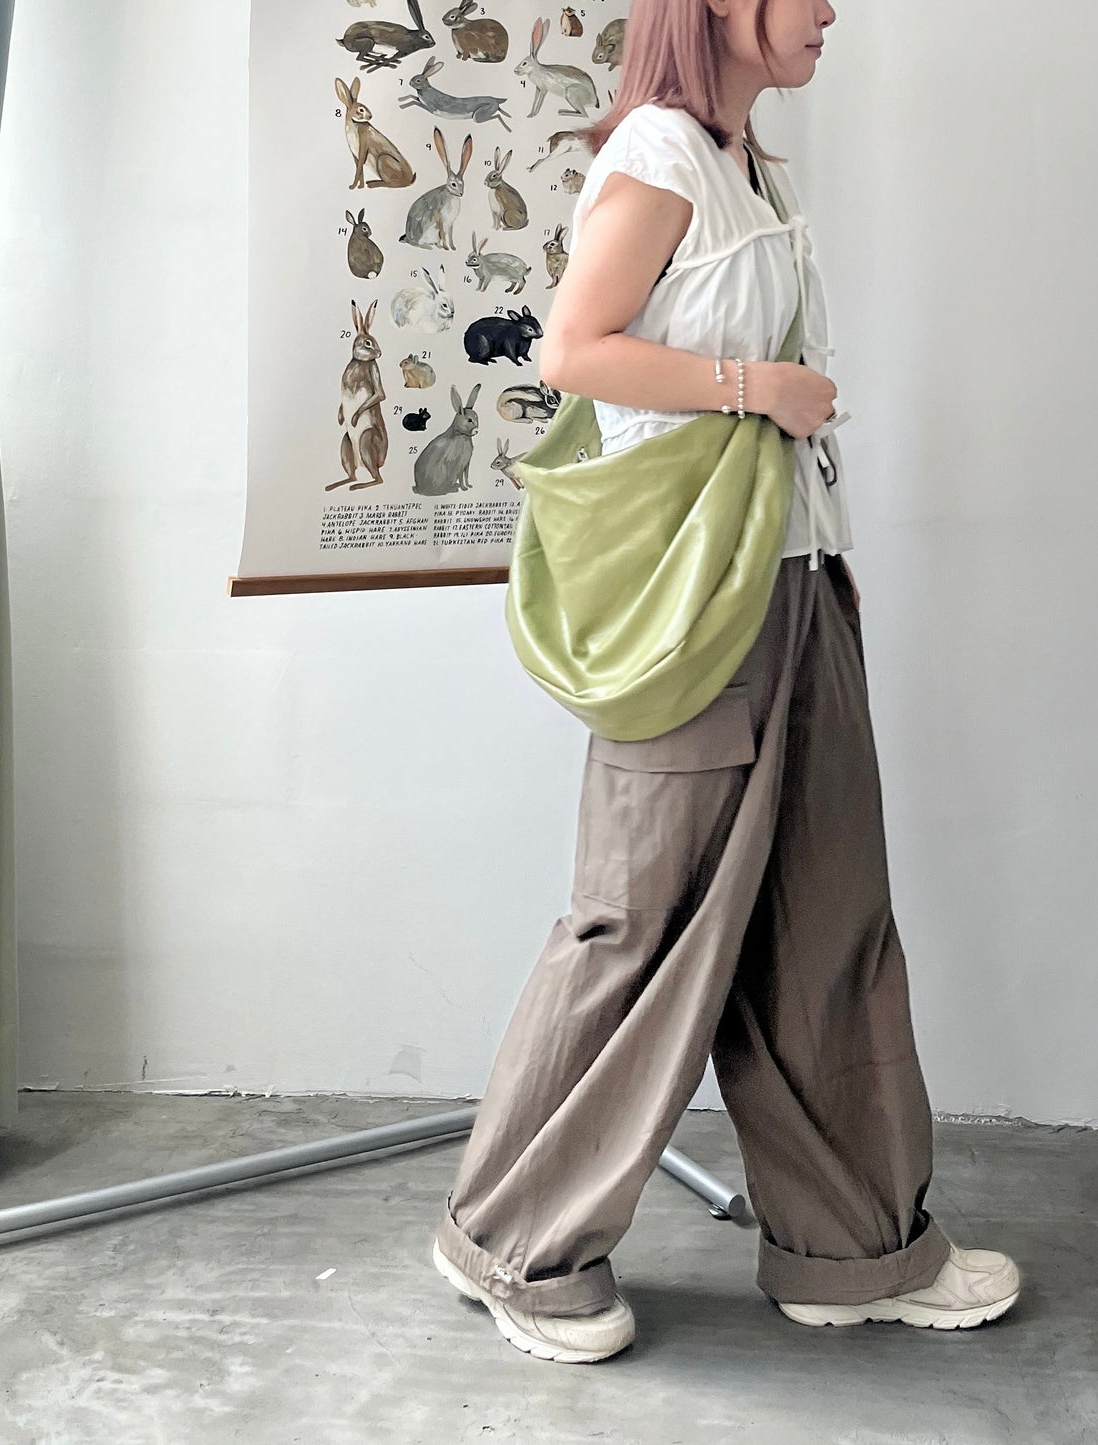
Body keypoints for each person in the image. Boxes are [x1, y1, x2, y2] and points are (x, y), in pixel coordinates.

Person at [431, 0, 1021, 1364]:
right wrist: (757, 384)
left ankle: (851, 1249)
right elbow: (573, 348)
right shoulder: (657, 151)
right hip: (699, 605)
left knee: (828, 923)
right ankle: (511, 1241)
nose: (829, 12)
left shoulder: (749, 162)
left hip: (796, 581)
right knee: (637, 924)